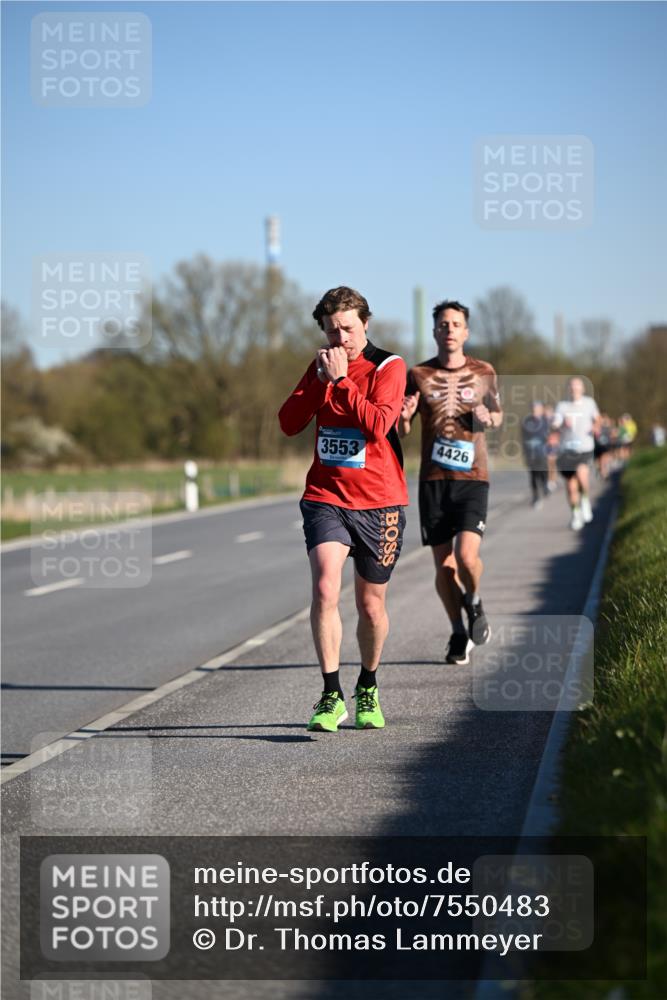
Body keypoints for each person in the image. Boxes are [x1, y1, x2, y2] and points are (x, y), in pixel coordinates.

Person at [279, 286, 408, 732]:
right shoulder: (319, 368)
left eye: (349, 329)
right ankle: (331, 693)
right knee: (324, 588)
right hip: (326, 496)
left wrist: (340, 381)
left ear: (365, 324)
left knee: (370, 605)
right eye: (332, 331)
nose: (341, 340)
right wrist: (318, 380)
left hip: (380, 501)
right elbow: (289, 423)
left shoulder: (389, 366)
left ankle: (367, 685)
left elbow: (377, 425)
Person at [399, 299, 503, 665]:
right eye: (443, 324)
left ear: (466, 331)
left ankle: (473, 600)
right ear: (434, 332)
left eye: (455, 324)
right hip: (434, 480)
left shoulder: (484, 371)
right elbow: (403, 427)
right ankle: (458, 632)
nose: (449, 330)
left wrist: (485, 418)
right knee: (444, 567)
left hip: (473, 478)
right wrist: (406, 417)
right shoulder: (418, 374)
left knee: (466, 556)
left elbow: (497, 417)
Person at [552, 377, 600, 531]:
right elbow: (555, 422)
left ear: (583, 389)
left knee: (582, 475)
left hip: (585, 447)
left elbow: (598, 419)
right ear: (568, 389)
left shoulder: (589, 403)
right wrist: (559, 424)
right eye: (572, 386)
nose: (574, 389)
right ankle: (575, 514)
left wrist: (595, 427)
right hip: (567, 450)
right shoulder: (562, 405)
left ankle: (585, 501)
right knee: (571, 487)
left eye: (577, 386)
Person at [521, 401, 550, 508]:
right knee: (533, 475)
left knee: (543, 471)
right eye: (533, 409)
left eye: (537, 409)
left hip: (542, 452)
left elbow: (551, 436)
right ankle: (535, 496)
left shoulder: (546, 421)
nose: (535, 411)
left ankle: (545, 485)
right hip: (531, 453)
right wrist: (524, 452)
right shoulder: (526, 422)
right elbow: (523, 437)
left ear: (541, 410)